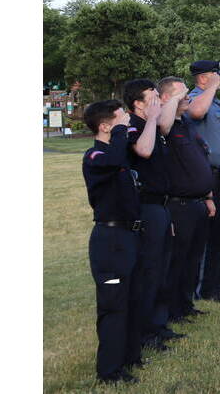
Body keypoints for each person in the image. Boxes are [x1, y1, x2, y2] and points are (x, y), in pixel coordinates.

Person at [81, 99, 151, 384]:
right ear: (105, 126)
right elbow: (113, 161)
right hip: (109, 241)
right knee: (113, 304)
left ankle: (130, 356)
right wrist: (121, 133)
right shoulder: (95, 155)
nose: (128, 124)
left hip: (129, 236)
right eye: (122, 120)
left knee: (133, 298)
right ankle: (109, 372)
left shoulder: (121, 153)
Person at [122, 78, 183, 351]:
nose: (158, 99)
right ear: (138, 103)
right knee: (148, 271)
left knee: (162, 269)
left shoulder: (154, 126)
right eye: (153, 96)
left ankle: (159, 325)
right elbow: (143, 151)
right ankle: (145, 332)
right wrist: (152, 120)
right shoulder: (133, 126)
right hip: (144, 206)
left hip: (161, 204)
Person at [157, 77, 218, 323]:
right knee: (177, 260)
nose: (187, 97)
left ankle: (186, 304)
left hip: (198, 202)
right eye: (181, 94)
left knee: (193, 258)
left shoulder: (187, 126)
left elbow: (201, 163)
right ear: (166, 98)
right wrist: (173, 99)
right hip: (178, 205)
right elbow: (163, 125)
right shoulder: (166, 125)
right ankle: (172, 310)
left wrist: (208, 197)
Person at [185, 60, 220, 301]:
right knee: (207, 236)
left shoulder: (217, 103)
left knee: (218, 233)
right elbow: (196, 113)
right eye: (216, 74)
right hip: (209, 176)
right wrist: (211, 89)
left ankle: (214, 283)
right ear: (204, 78)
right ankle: (202, 288)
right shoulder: (195, 98)